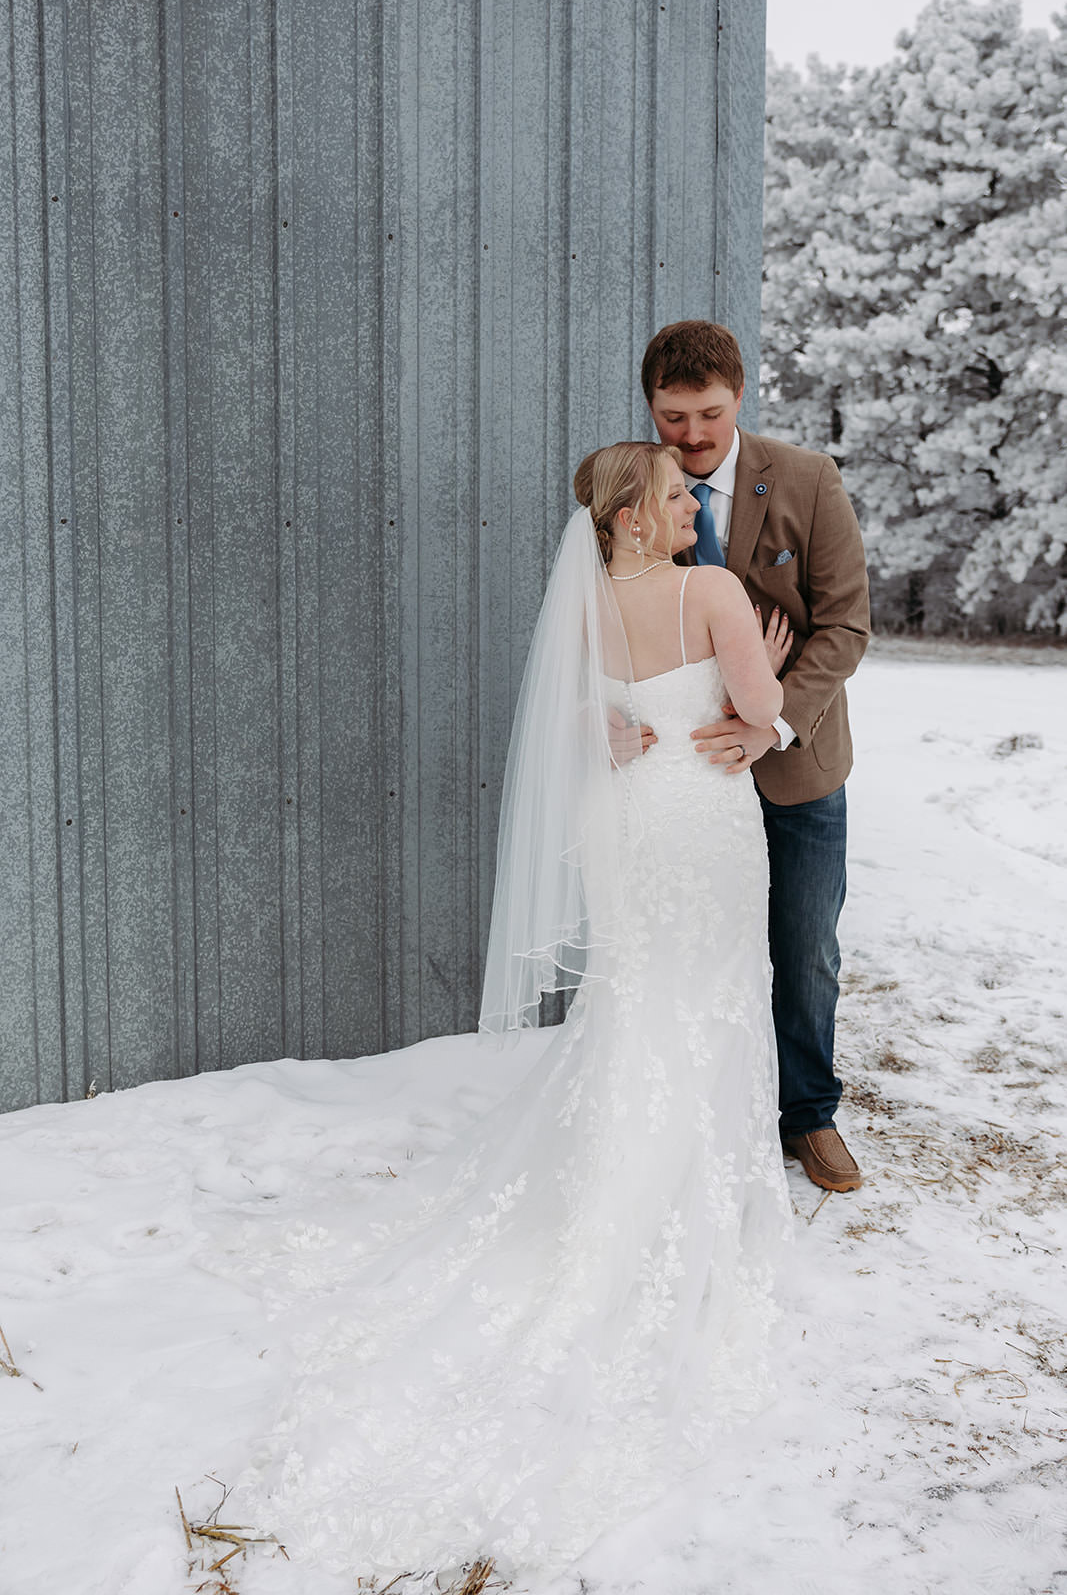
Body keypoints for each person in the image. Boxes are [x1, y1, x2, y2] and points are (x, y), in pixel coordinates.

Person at [237, 443, 796, 1585]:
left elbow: (577, 727)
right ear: (635, 519)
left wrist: (616, 727)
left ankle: (613, 1179)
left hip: (630, 819)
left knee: (638, 998)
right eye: (674, 495)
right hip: (699, 815)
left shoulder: (583, 605)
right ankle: (690, 1190)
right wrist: (773, 691)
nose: (694, 502)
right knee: (711, 994)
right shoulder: (715, 592)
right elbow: (752, 705)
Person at [640, 320, 871, 1193]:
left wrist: (767, 722)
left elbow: (845, 624)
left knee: (805, 946)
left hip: (796, 762)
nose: (691, 437)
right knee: (694, 943)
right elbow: (601, 620)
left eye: (707, 413)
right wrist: (607, 713)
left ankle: (808, 1116)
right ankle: (706, 1110)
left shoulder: (808, 480)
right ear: (650, 408)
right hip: (680, 772)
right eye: (672, 418)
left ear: (739, 396)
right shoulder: (632, 485)